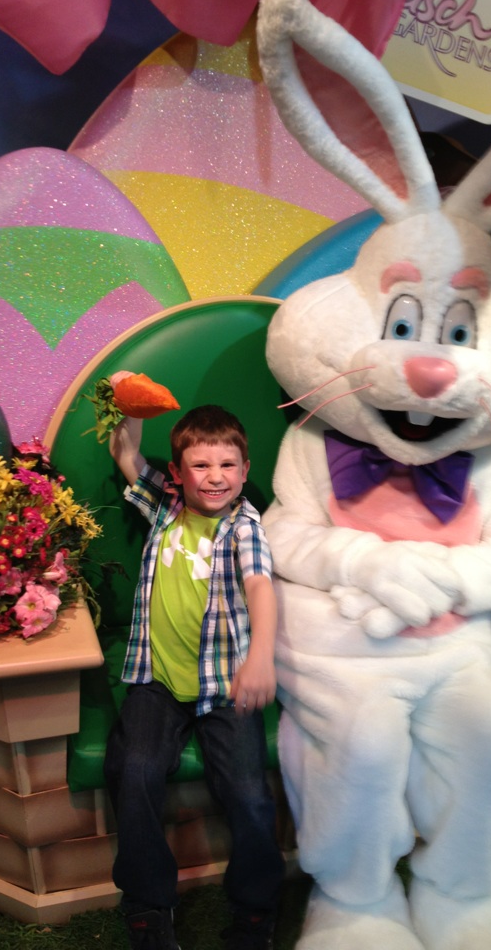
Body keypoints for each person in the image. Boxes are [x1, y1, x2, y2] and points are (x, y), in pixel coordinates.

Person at [104, 392, 285, 950]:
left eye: (228, 464)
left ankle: (255, 912)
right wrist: (128, 401)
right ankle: (148, 905)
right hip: (156, 680)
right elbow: (125, 452)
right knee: (133, 770)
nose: (215, 476)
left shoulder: (245, 528)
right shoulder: (165, 506)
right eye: (201, 465)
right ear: (178, 473)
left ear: (245, 470)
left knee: (249, 794)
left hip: (225, 685)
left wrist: (260, 656)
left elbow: (261, 587)